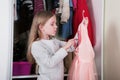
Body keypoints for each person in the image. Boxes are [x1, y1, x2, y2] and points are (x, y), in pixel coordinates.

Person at [27, 11, 75, 80]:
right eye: (52, 24)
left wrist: (81, 29)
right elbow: (50, 63)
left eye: (55, 23)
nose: (56, 26)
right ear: (41, 27)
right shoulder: (36, 45)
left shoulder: (55, 41)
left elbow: (71, 47)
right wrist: (66, 47)